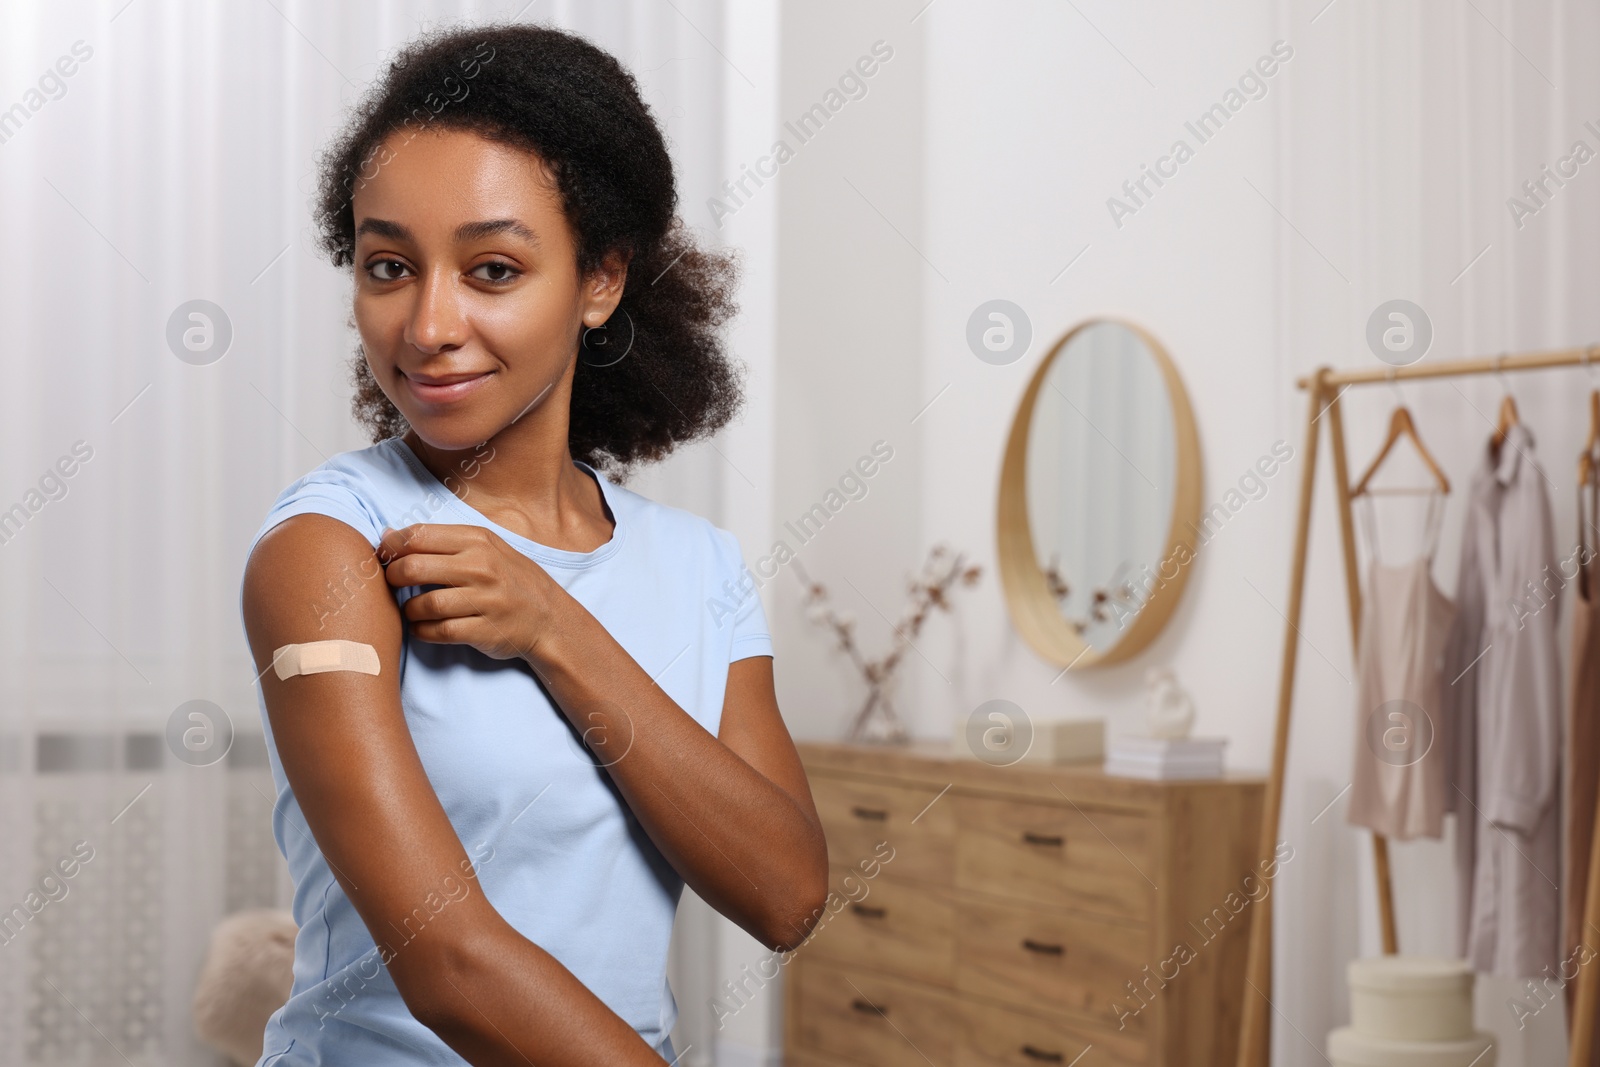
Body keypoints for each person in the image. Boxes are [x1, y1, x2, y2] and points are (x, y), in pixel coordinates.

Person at [238, 22, 828, 1066]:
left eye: (493, 269)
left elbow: (784, 891)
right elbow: (449, 961)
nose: (427, 324)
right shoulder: (329, 549)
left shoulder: (700, 570)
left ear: (597, 282)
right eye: (388, 265)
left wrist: (556, 626)